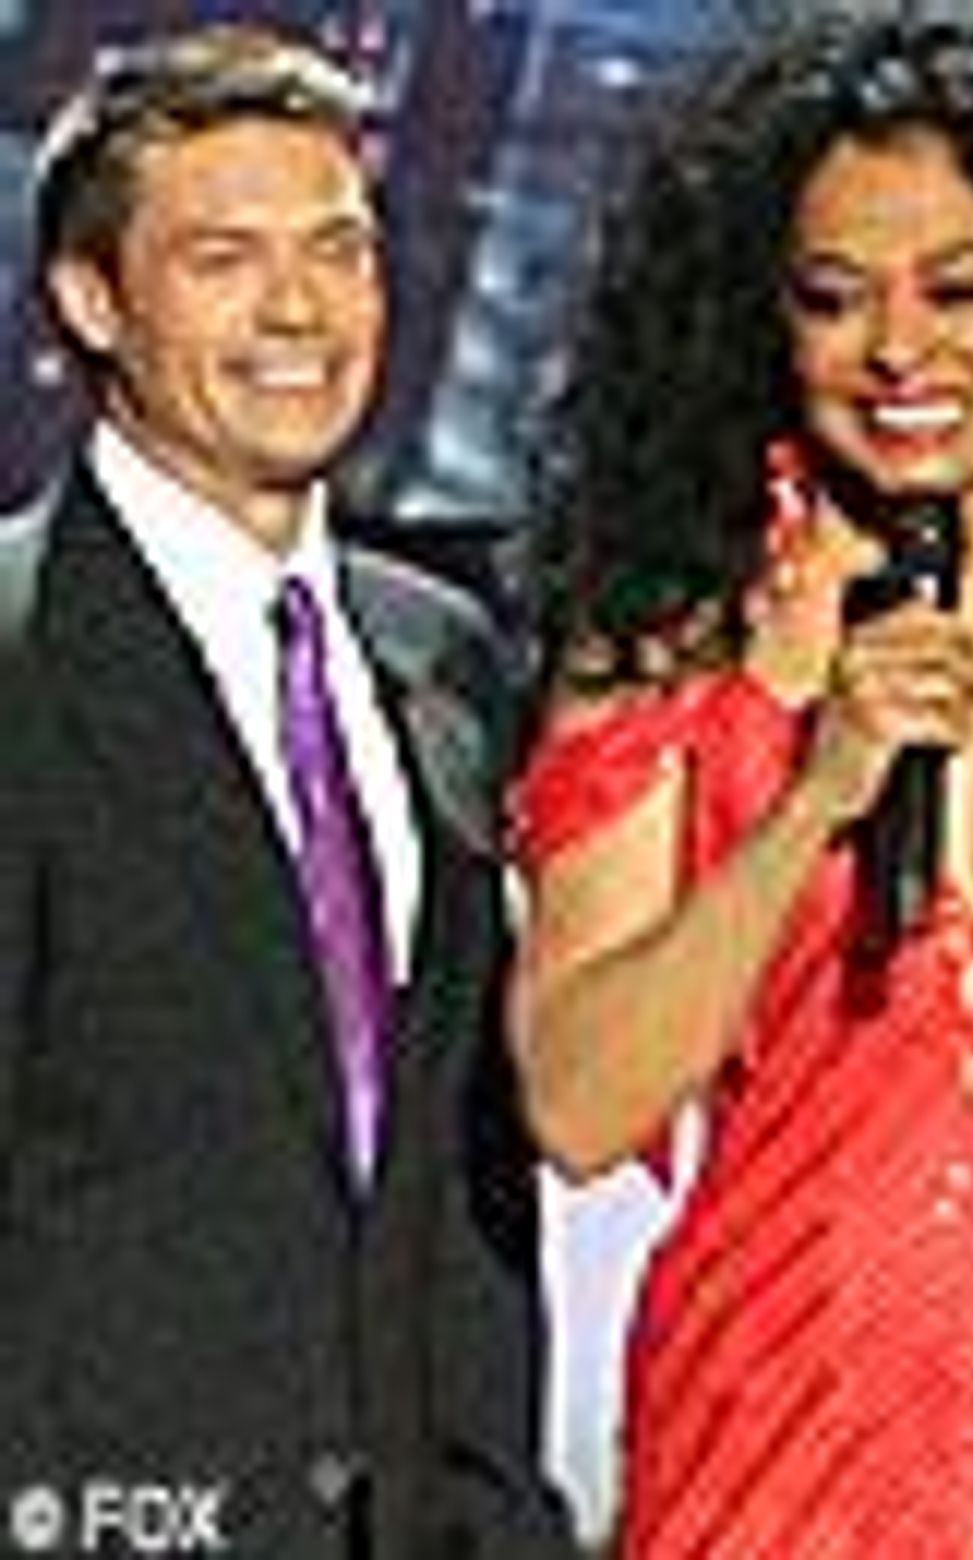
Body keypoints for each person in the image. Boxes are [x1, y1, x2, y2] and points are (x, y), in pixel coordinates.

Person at [509, 5, 973, 1556]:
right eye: (835, 299)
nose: (899, 351)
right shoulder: (676, 634)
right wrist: (812, 801)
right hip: (784, 1439)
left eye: (963, 290)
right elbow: (578, 1101)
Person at [0, 24, 577, 1560]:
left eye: (339, 249)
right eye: (224, 259)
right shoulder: (18, 654)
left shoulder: (441, 657)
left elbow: (457, 1173)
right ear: (91, 300)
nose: (300, 311)